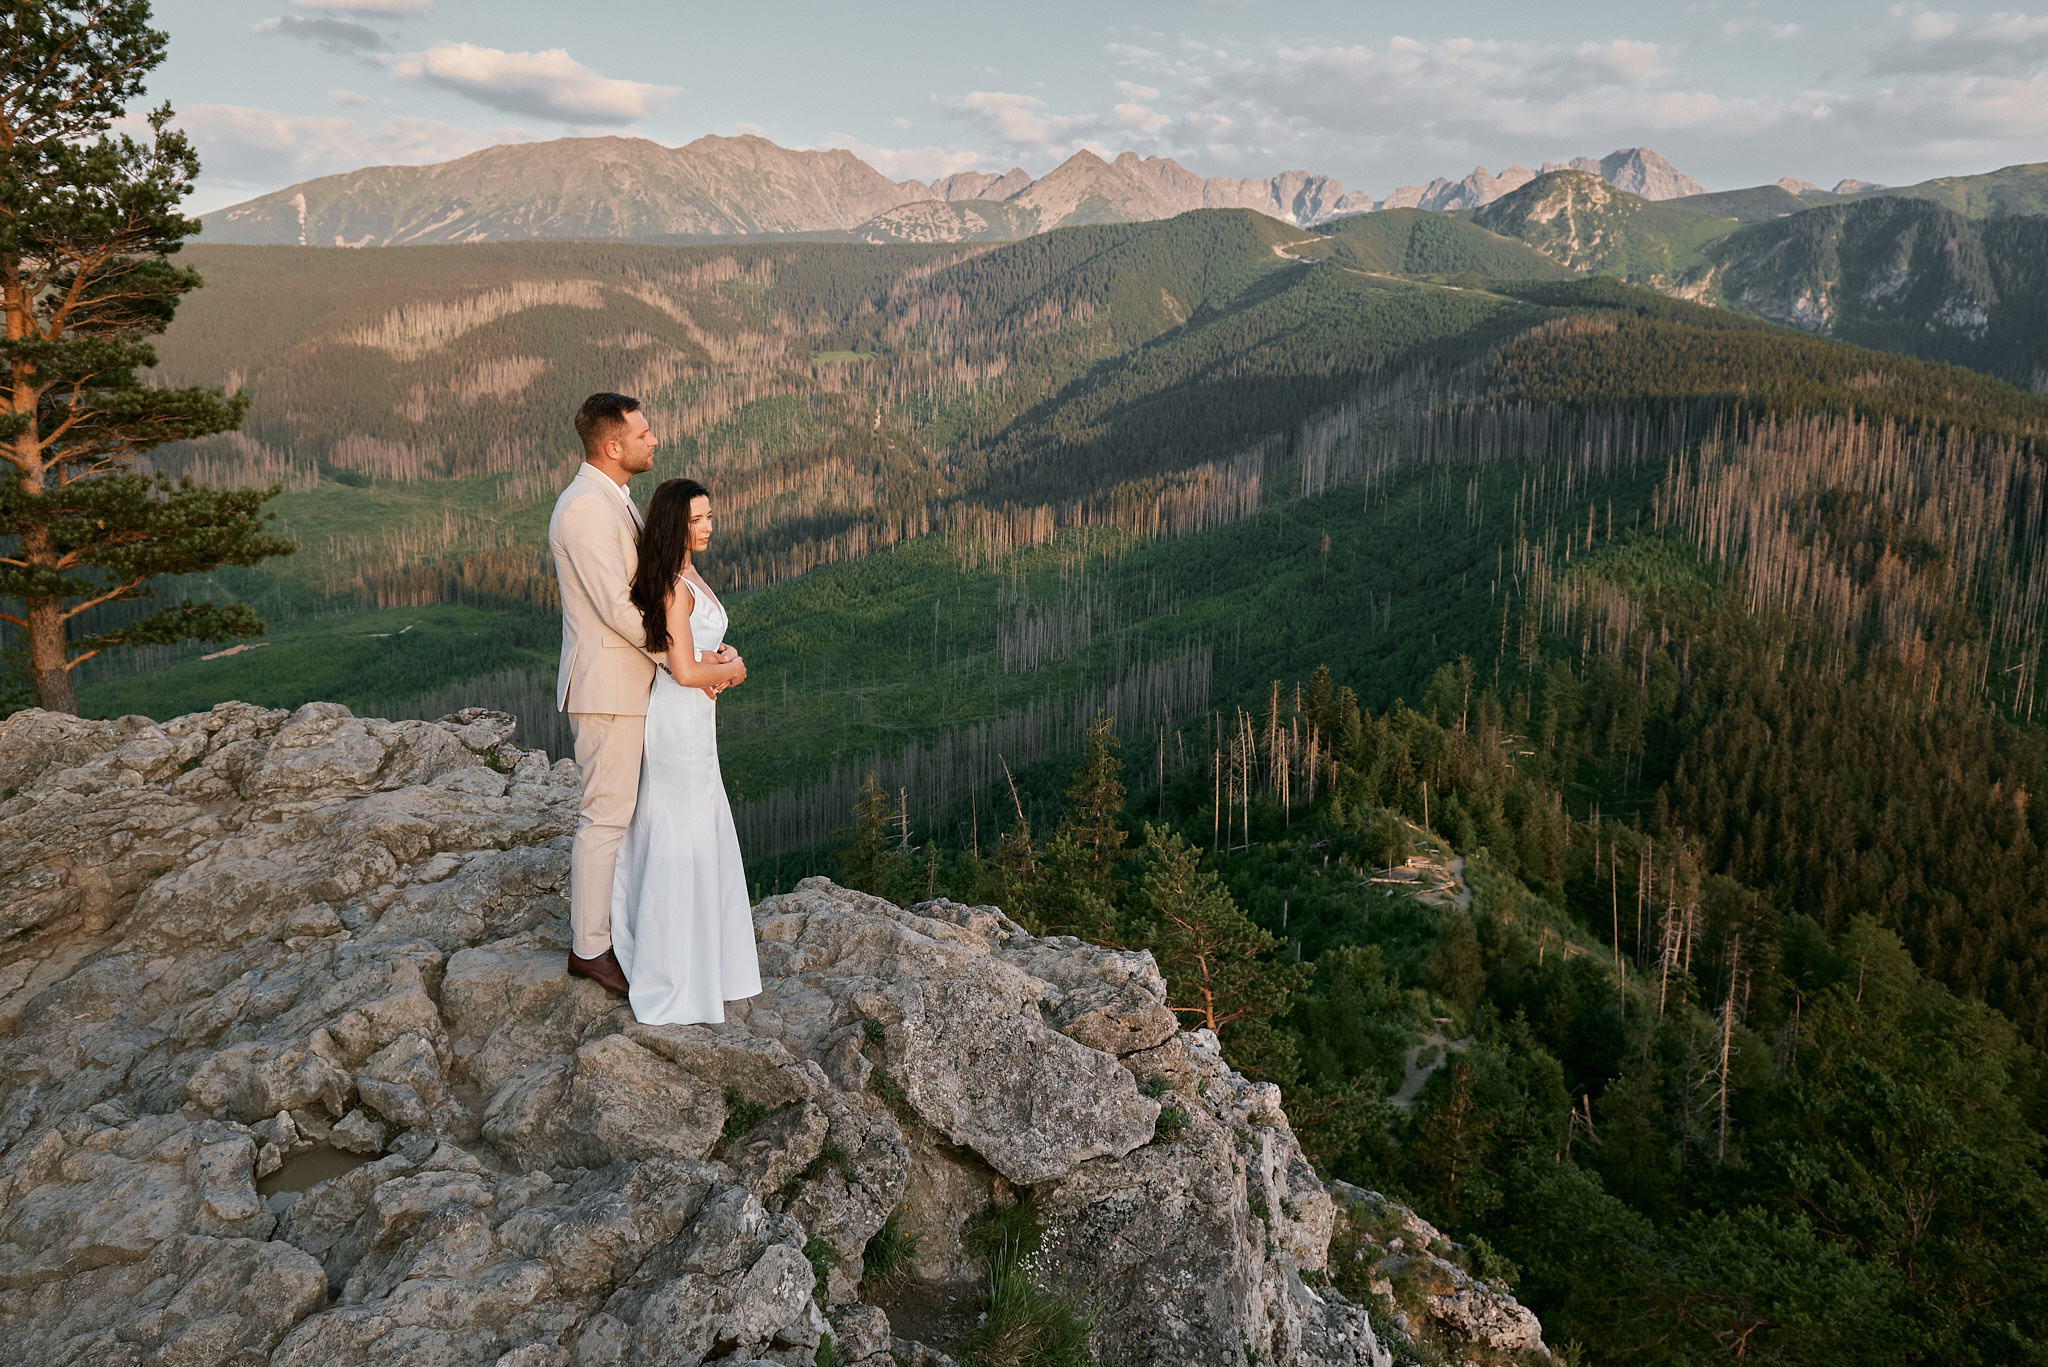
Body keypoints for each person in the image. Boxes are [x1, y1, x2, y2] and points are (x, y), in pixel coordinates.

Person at [547, 393, 735, 995]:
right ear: (612, 445)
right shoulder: (583, 510)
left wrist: (690, 661)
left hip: (636, 686)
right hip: (607, 688)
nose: (653, 441)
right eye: (643, 433)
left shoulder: (614, 501)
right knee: (605, 817)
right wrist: (686, 663)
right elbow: (621, 609)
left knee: (629, 816)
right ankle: (590, 949)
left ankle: (628, 928)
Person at [612, 478, 760, 1024]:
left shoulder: (690, 574)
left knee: (700, 829)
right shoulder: (673, 585)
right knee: (677, 832)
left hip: (699, 718)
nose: (707, 527)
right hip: (676, 721)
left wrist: (724, 654)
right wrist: (733, 668)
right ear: (675, 522)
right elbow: (682, 670)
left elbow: (697, 653)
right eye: (696, 519)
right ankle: (670, 972)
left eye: (710, 517)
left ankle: (703, 963)